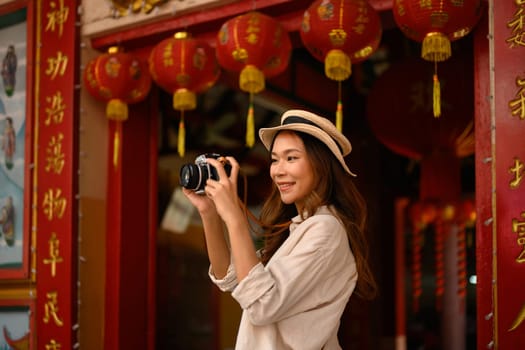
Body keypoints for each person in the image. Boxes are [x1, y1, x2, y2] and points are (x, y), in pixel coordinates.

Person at [182, 109, 377, 349]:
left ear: (322, 165)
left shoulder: (326, 230)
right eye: (275, 159)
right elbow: (231, 278)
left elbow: (261, 304)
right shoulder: (300, 227)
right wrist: (209, 213)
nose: (278, 170)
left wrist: (234, 216)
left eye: (291, 158)